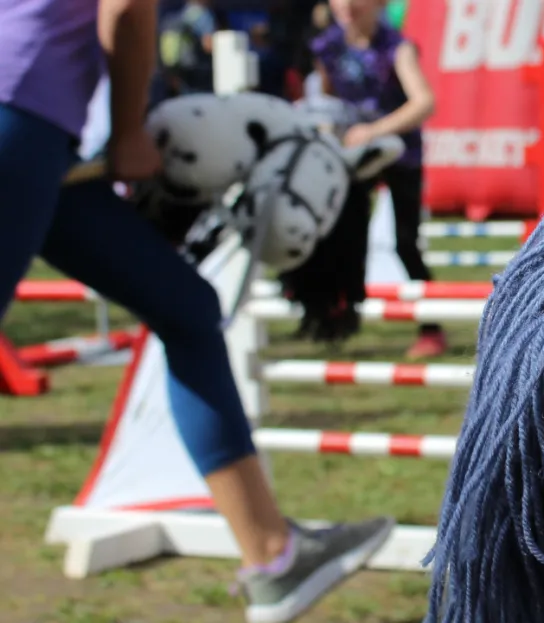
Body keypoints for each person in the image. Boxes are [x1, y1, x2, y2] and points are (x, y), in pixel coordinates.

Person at [0, 1, 393, 621]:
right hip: (19, 108)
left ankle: (273, 554)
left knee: (184, 307)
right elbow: (127, 9)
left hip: (42, 125)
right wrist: (129, 130)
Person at [294, 0, 445, 358]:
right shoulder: (326, 46)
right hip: (351, 155)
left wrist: (374, 130)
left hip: (400, 153)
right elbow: (326, 96)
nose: (345, 5)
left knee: (405, 244)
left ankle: (431, 329)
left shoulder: (397, 48)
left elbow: (424, 102)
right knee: (342, 235)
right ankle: (337, 317)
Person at [158, 0, 217, 95]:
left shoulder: (178, 15)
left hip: (179, 77)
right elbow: (208, 44)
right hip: (200, 79)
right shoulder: (203, 16)